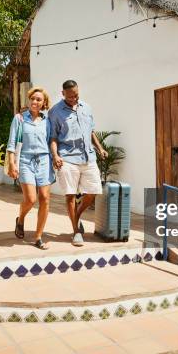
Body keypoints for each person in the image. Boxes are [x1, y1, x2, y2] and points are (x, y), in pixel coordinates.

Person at [49, 80, 108, 246]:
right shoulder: (55, 111)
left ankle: (77, 217)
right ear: (63, 94)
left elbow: (91, 132)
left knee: (93, 191)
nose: (74, 98)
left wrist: (100, 148)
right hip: (67, 158)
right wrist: (55, 156)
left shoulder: (86, 107)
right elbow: (53, 137)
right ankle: (76, 232)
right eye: (70, 96)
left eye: (76, 95)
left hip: (88, 157)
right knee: (70, 195)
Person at [6, 87, 54, 250]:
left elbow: (50, 141)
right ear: (29, 100)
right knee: (31, 199)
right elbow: (11, 143)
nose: (35, 102)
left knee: (45, 198)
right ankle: (20, 219)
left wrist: (56, 158)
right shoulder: (19, 119)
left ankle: (38, 237)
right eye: (33, 98)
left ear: (44, 103)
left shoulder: (48, 121)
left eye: (39, 99)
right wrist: (12, 163)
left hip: (44, 160)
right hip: (25, 160)